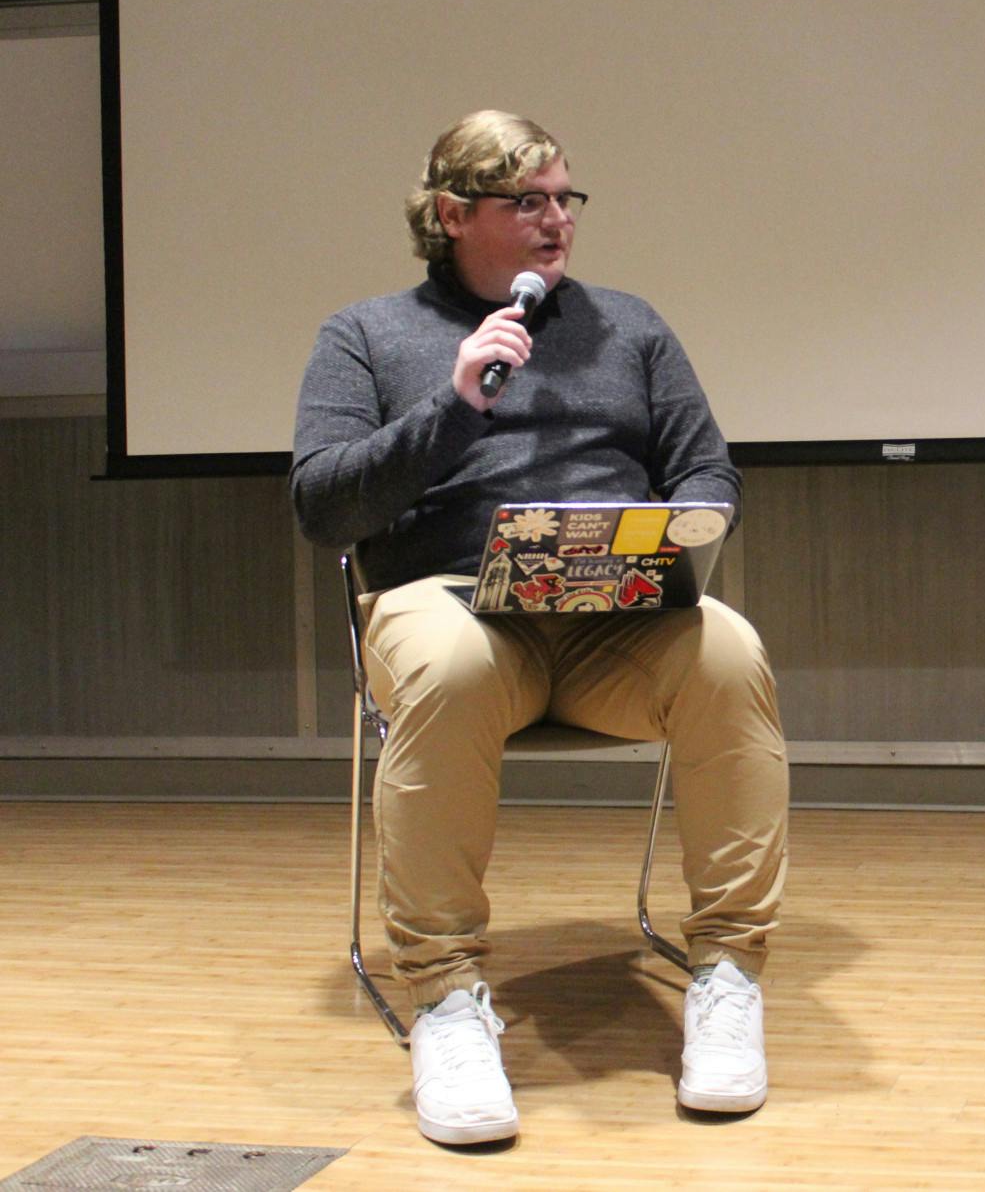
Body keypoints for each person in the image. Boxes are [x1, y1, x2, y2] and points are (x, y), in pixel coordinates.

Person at [291, 111, 789, 1145]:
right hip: (454, 603)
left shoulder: (631, 326)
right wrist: (452, 404)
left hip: (612, 615)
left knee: (728, 652)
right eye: (530, 201)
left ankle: (729, 970)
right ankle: (445, 996)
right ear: (453, 215)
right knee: (452, 667)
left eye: (567, 197)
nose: (557, 219)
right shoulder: (364, 335)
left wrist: (681, 528)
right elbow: (323, 508)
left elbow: (706, 467)